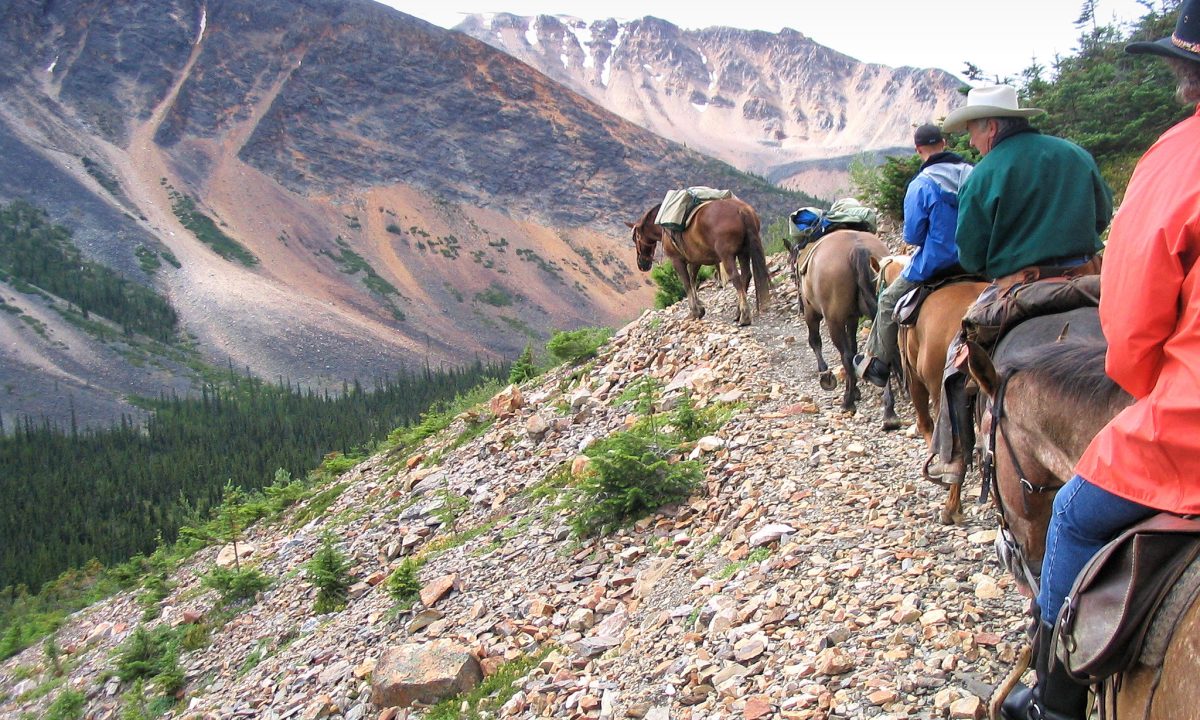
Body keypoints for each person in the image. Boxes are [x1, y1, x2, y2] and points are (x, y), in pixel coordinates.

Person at [999, 4, 1200, 719]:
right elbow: (1101, 205)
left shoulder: (1180, 153)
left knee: (1077, 512)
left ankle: (1053, 707)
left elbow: (1131, 324)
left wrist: (1147, 383)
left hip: (1188, 422)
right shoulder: (1080, 159)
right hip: (1079, 262)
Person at [924, 85, 1114, 481]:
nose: (972, 143)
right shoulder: (1076, 155)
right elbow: (1102, 216)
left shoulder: (985, 175)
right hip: (1090, 277)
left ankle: (954, 458)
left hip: (1020, 289)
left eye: (974, 133)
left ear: (991, 127)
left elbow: (972, 257)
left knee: (959, 359)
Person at [854, 123, 973, 387]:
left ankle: (878, 364)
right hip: (978, 263)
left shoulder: (921, 184)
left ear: (919, 149)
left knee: (887, 301)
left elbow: (913, 236)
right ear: (944, 143)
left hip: (935, 266)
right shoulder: (973, 174)